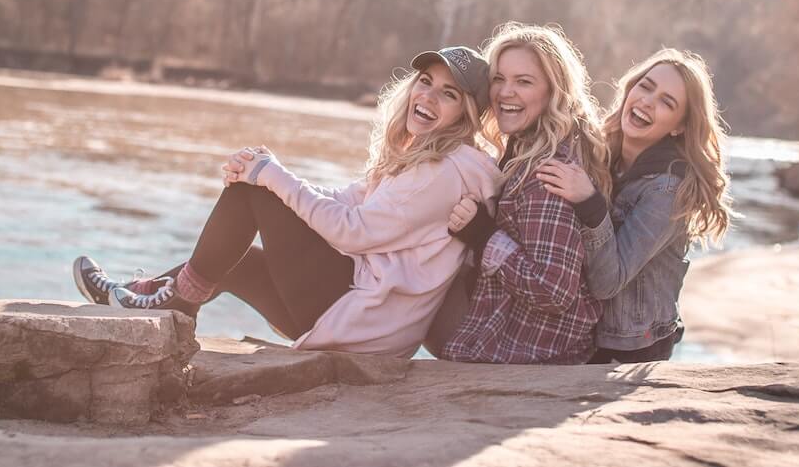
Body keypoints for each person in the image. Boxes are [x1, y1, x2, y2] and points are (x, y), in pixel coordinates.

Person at [73, 46, 503, 358]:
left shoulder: (444, 171)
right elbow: (347, 200)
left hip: (362, 321)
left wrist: (270, 178)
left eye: (448, 94)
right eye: (425, 82)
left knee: (251, 195)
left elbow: (354, 232)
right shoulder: (423, 156)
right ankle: (144, 298)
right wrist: (271, 175)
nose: (427, 97)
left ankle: (165, 303)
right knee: (236, 258)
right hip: (357, 310)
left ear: (467, 113)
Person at [536, 48, 733, 363]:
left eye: (667, 102)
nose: (647, 102)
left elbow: (607, 282)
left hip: (631, 348)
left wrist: (589, 201)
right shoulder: (602, 154)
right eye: (646, 86)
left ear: (679, 126)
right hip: (586, 334)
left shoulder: (668, 189)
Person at [435, 22, 612, 364]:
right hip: (510, 330)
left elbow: (554, 289)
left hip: (525, 350)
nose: (505, 93)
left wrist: (484, 237)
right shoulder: (525, 150)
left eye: (524, 82)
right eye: (499, 79)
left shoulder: (548, 171)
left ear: (553, 92)